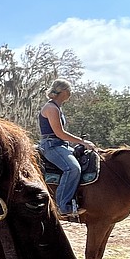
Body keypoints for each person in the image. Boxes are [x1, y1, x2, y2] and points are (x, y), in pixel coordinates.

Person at [38, 79, 96, 217]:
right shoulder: (51, 108)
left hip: (61, 145)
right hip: (51, 145)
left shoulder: (57, 108)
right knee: (72, 168)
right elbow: (60, 133)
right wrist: (83, 142)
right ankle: (62, 206)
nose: (70, 93)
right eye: (69, 90)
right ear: (63, 91)